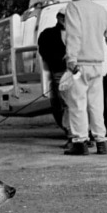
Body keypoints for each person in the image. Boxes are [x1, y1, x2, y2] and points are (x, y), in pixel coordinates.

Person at [62, 0, 107, 156]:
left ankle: (80, 143)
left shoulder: (74, 7)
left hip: (79, 64)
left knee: (77, 104)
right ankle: (101, 142)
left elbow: (74, 34)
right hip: (97, 65)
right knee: (96, 105)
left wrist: (71, 59)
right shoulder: (101, 10)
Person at [37, 8, 69, 140]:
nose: (64, 20)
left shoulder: (76, 33)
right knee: (66, 103)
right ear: (58, 17)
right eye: (62, 17)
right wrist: (58, 60)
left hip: (76, 72)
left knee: (77, 104)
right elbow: (44, 52)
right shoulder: (48, 34)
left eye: (67, 17)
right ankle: (72, 134)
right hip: (59, 72)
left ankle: (80, 135)